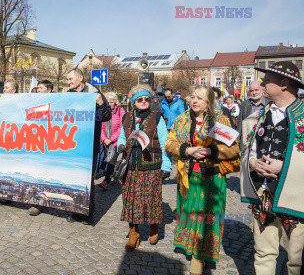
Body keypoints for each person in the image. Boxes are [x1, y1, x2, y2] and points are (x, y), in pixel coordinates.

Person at [165, 85, 240, 275]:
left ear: (209, 102)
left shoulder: (220, 120)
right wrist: (186, 150)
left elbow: (234, 148)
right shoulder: (181, 120)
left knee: (208, 216)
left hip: (212, 177)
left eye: (200, 98)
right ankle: (191, 248)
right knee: (190, 213)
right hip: (188, 177)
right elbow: (169, 142)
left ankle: (199, 256)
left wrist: (212, 151)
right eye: (193, 97)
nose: (195, 101)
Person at [240, 61, 304, 275]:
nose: (262, 84)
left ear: (284, 83)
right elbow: (247, 149)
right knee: (263, 253)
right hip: (263, 195)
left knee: (297, 261)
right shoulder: (258, 116)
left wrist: (284, 166)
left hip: (296, 200)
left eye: (267, 80)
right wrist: (252, 162)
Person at [117, 84, 171, 250]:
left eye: (146, 99)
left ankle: (154, 226)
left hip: (151, 164)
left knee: (152, 198)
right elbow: (121, 136)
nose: (143, 101)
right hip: (131, 165)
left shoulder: (157, 117)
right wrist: (120, 146)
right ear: (134, 101)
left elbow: (165, 141)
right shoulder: (127, 117)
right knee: (131, 200)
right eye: (139, 99)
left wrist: (166, 166)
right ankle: (134, 233)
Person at [66, 68, 112, 225]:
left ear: (80, 78)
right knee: (73, 178)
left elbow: (106, 116)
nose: (69, 82)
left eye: (71, 79)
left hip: (89, 142)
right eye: (67, 79)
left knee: (86, 180)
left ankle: (88, 213)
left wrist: (100, 104)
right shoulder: (69, 94)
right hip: (73, 142)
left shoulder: (95, 93)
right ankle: (75, 211)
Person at [28, 79, 54, 216]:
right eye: (37, 88)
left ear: (49, 90)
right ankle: (35, 203)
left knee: (45, 175)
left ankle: (45, 201)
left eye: (41, 88)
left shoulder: (57, 103)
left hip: (48, 146)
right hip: (34, 144)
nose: (38, 90)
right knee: (34, 174)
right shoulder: (34, 103)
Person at [97, 92, 126, 190]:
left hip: (116, 141)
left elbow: (121, 128)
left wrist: (111, 139)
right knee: (107, 159)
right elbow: (100, 126)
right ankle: (116, 176)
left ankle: (106, 181)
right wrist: (104, 139)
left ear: (115, 101)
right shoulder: (103, 111)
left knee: (111, 161)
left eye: (112, 101)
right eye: (108, 102)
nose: (109, 104)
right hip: (105, 141)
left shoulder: (121, 111)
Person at [237, 81, 269, 147]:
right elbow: (240, 124)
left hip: (263, 141)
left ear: (262, 90)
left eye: (256, 90)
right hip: (247, 140)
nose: (254, 93)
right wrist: (237, 141)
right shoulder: (245, 104)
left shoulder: (269, 104)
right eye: (251, 91)